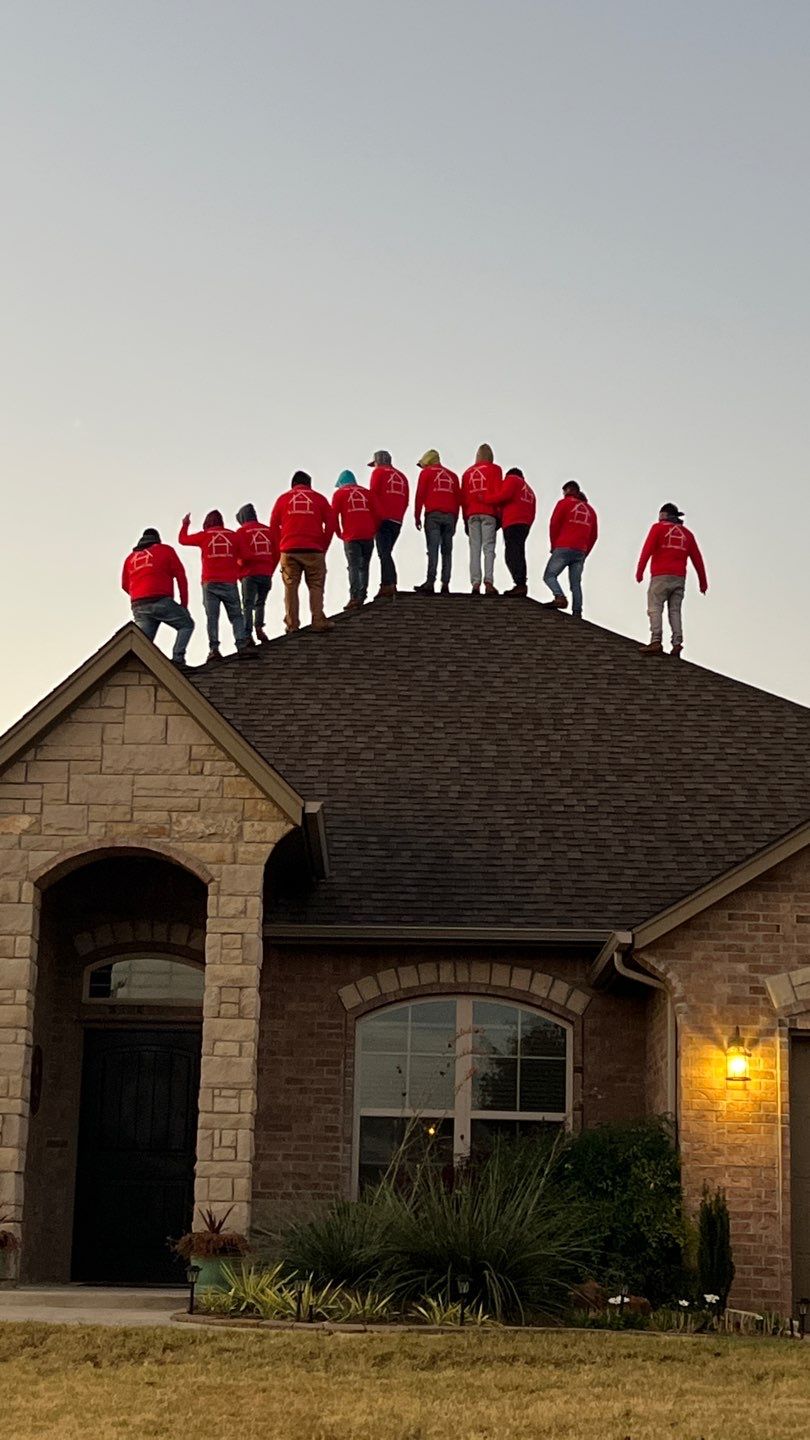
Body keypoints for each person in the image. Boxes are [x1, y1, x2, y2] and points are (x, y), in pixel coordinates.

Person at [636, 502, 708, 656]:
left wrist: (639, 571)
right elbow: (697, 558)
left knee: (655, 607)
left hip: (660, 575)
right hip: (679, 577)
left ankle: (656, 640)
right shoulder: (687, 535)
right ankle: (677, 642)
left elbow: (647, 549)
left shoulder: (658, 528)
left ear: (663, 515)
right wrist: (703, 583)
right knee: (675, 611)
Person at [179, 510, 251, 661]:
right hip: (229, 582)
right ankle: (241, 645)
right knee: (237, 616)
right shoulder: (233, 536)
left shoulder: (204, 536)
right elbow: (245, 556)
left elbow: (183, 539)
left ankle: (214, 649)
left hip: (210, 582)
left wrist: (185, 524)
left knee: (212, 617)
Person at [269, 471, 335, 633]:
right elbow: (332, 523)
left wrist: (281, 545)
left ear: (292, 484)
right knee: (316, 585)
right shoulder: (319, 499)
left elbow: (273, 525)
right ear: (309, 484)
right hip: (314, 549)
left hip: (289, 549)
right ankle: (317, 619)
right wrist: (323, 546)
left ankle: (292, 624)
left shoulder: (283, 499)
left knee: (291, 587)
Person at [121, 527, 195, 669]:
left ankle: (138, 669)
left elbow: (124, 585)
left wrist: (139, 594)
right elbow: (181, 577)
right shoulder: (166, 550)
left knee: (142, 643)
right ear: (157, 540)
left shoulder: (130, 558)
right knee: (186, 625)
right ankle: (178, 659)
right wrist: (184, 605)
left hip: (139, 604)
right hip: (160, 599)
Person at [543, 480, 598, 617]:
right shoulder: (591, 511)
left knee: (549, 575)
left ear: (568, 490)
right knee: (575, 583)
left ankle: (559, 597)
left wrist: (553, 545)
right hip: (580, 551)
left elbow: (554, 524)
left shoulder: (564, 503)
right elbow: (594, 535)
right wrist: (585, 552)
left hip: (564, 546)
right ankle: (577, 612)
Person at [413, 449, 461, 594]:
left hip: (433, 515)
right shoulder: (453, 476)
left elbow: (420, 495)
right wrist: (456, 520)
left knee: (433, 549)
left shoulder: (426, 473)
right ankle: (445, 583)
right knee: (447, 551)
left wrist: (417, 515)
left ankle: (430, 582)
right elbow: (458, 500)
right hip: (450, 516)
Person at [331, 470, 377, 610]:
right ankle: (363, 595)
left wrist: (339, 533)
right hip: (368, 535)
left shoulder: (339, 494)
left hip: (351, 536)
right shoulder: (367, 493)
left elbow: (333, 516)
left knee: (353, 566)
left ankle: (354, 596)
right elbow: (378, 513)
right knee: (365, 566)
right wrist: (373, 530)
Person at [461, 443, 502, 595]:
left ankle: (475, 582)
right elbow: (498, 492)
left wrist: (465, 518)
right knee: (489, 548)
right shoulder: (495, 470)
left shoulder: (467, 473)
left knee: (474, 549)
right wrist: (499, 515)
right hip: (489, 512)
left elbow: (463, 499)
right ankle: (489, 581)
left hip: (472, 513)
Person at [368, 449, 409, 598]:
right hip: (397, 520)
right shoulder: (402, 476)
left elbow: (372, 496)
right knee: (386, 553)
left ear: (378, 461)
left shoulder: (378, 473)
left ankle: (388, 584)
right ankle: (388, 583)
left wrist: (374, 518)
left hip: (382, 518)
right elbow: (406, 500)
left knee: (383, 553)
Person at [234, 503, 278, 645]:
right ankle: (259, 628)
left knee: (247, 604)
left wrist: (239, 571)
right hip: (265, 573)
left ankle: (248, 634)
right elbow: (276, 553)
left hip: (249, 573)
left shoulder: (241, 533)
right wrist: (270, 569)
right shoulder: (268, 531)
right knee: (260, 603)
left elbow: (238, 556)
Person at [490, 468, 536, 596]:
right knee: (519, 552)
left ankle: (520, 584)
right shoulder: (529, 491)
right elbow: (533, 511)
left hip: (513, 521)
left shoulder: (512, 480)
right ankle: (521, 583)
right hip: (524, 524)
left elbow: (503, 496)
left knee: (512, 554)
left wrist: (485, 498)